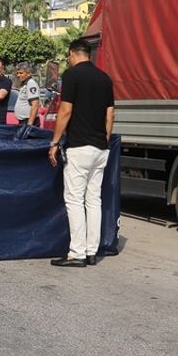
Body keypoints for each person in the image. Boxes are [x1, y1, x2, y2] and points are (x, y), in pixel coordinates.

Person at [48, 39, 115, 268]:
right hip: (100, 148)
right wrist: (104, 139)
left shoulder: (72, 76)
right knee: (93, 199)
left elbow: (65, 110)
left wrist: (54, 142)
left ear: (72, 54)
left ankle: (76, 252)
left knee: (74, 199)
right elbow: (110, 114)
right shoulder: (105, 78)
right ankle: (91, 251)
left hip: (79, 146)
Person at [13, 62, 42, 127]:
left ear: (28, 73)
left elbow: (35, 105)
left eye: (21, 73)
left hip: (29, 122)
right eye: (17, 73)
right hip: (24, 122)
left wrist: (29, 125)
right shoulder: (24, 84)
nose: (18, 75)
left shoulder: (31, 84)